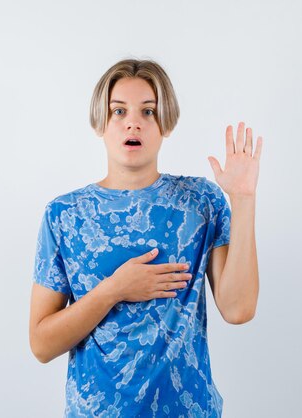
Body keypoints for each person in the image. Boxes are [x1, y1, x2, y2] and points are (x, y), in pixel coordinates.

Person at [29, 58, 261, 417]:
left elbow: (238, 309)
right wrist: (115, 289)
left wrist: (243, 200)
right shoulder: (64, 214)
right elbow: (42, 344)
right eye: (118, 111)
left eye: (148, 111)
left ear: (165, 123)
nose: (133, 121)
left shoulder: (200, 202)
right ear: (100, 123)